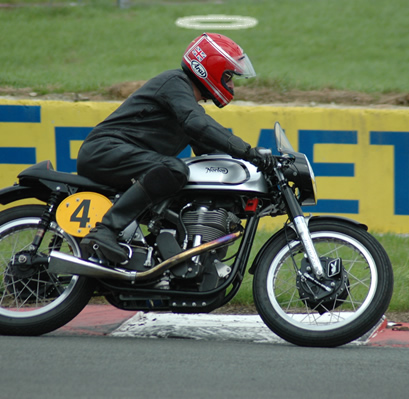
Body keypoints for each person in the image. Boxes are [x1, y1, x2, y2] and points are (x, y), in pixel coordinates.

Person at [76, 32, 272, 265]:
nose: (231, 85)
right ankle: (104, 231)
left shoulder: (187, 105)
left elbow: (213, 150)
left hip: (120, 156)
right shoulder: (175, 84)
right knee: (174, 169)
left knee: (185, 195)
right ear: (208, 70)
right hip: (104, 151)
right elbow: (198, 124)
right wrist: (248, 151)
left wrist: (257, 169)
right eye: (228, 76)